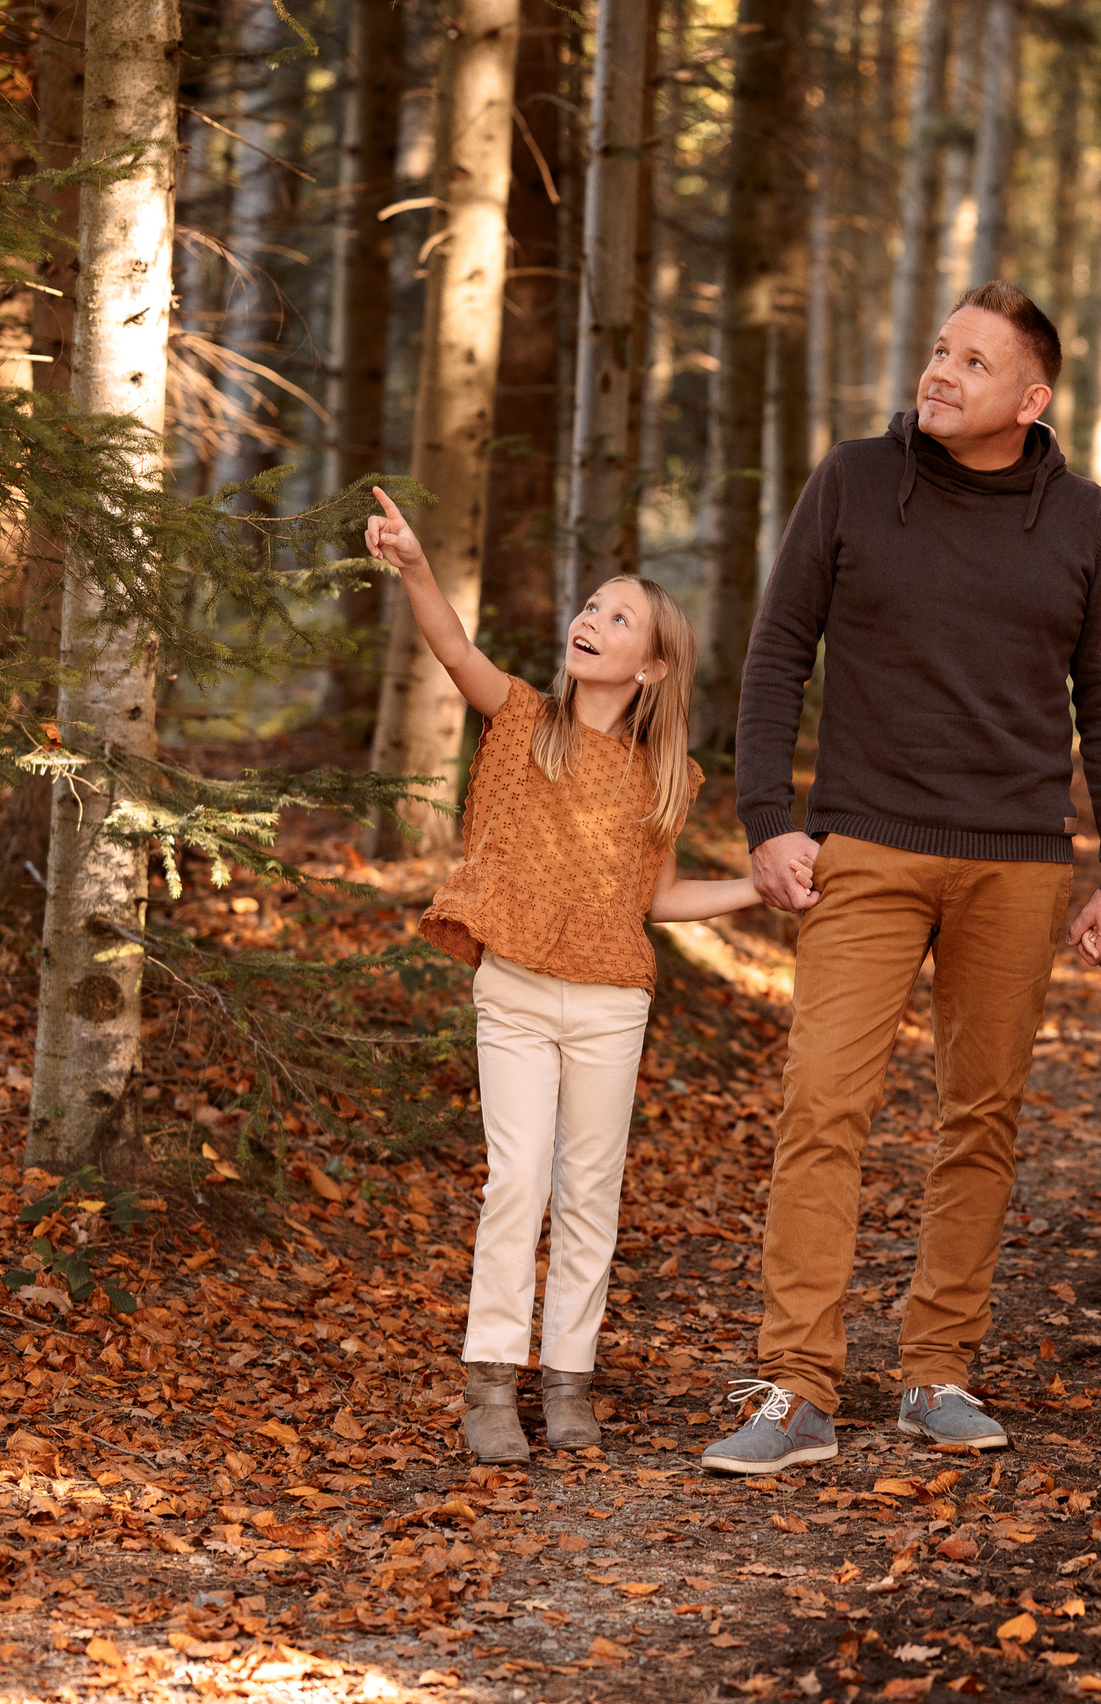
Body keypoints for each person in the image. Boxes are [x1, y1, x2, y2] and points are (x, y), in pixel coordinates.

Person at [702, 283, 1101, 1474]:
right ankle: (797, 1387)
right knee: (821, 1107)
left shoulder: (1078, 519)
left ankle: (935, 1372)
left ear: (1031, 397)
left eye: (972, 360)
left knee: (980, 1120)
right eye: (937, 348)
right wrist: (766, 819)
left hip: (1015, 863)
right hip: (866, 845)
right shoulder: (853, 480)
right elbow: (777, 650)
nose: (940, 372)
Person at [363, 488, 764, 1464]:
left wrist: (758, 889)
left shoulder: (660, 777)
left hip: (610, 1001)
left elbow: (654, 899)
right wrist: (416, 565)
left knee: (593, 1192)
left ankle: (570, 1376)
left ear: (654, 664)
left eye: (618, 617)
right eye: (590, 607)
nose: (592, 620)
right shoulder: (526, 720)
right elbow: (456, 652)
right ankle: (491, 1378)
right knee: (519, 1182)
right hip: (515, 992)